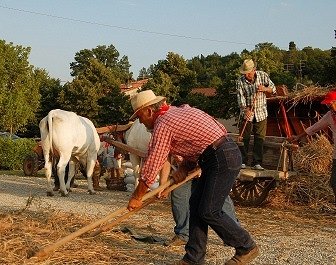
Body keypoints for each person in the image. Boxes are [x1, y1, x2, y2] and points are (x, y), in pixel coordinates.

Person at [127, 90, 258, 265]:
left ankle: (246, 246)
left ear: (149, 111)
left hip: (221, 157)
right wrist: (180, 171)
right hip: (217, 154)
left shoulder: (163, 123)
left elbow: (153, 162)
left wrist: (137, 196)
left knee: (209, 210)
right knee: (195, 205)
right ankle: (193, 258)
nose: (140, 122)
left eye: (139, 116)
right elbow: (196, 145)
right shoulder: (178, 112)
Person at [288, 90, 336, 204]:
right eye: (328, 104)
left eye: (331, 103)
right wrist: (298, 137)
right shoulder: (330, 116)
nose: (329, 105)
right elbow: (315, 127)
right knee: (333, 183)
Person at [236, 59, 276, 170]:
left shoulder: (263, 76)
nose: (247, 75)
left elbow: (273, 89)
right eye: (245, 73)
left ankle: (257, 162)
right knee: (245, 137)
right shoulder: (240, 81)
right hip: (247, 113)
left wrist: (265, 89)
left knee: (259, 138)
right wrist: (245, 110)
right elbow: (240, 98)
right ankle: (242, 161)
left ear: (254, 69)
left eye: (248, 72)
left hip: (261, 113)